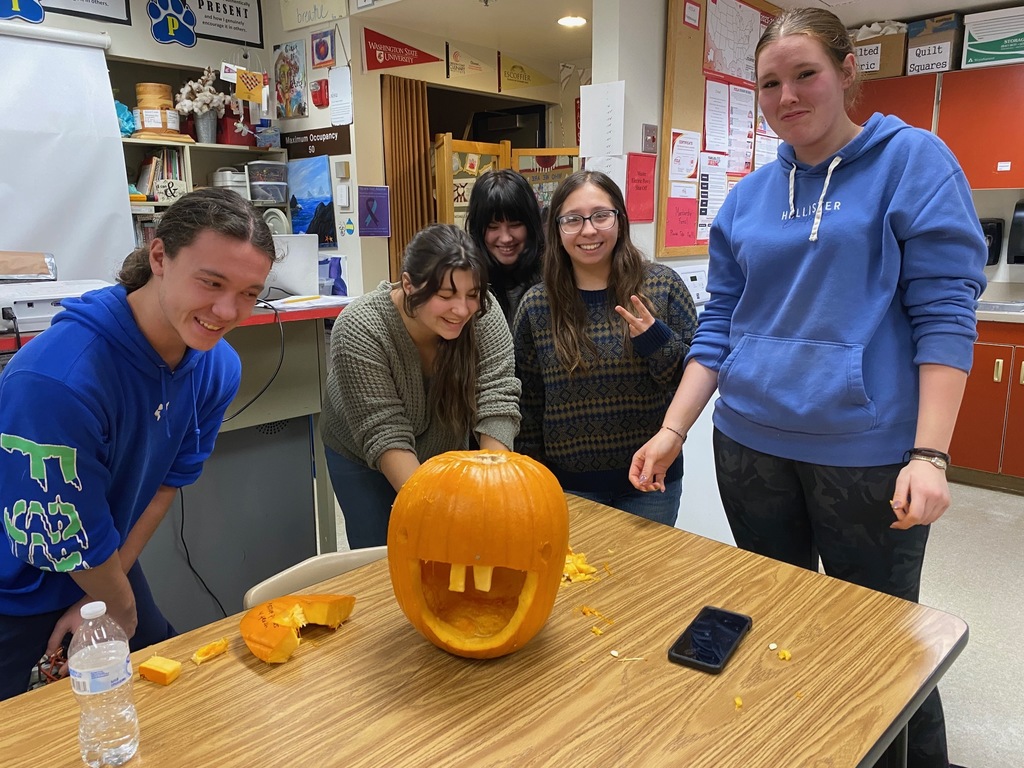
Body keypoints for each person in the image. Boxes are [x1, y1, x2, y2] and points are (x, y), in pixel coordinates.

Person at [629, 9, 986, 767]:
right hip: (751, 447)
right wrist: (673, 429)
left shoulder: (913, 162)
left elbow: (947, 316)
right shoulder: (750, 196)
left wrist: (931, 453)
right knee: (778, 620)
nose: (786, 95)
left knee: (882, 638)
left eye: (805, 74)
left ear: (847, 71)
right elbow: (721, 323)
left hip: (868, 458)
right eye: (768, 83)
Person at [0, 187, 277, 700]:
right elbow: (65, 534)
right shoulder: (57, 380)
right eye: (211, 282)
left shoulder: (216, 366)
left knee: (171, 703)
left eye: (249, 293)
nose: (226, 310)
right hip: (16, 585)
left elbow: (165, 485)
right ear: (159, 257)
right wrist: (118, 608)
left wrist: (111, 602)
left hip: (106, 563)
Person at [513, 170, 697, 525]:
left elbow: (690, 383)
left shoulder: (661, 286)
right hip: (568, 487)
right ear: (557, 230)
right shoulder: (538, 305)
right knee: (576, 579)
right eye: (573, 220)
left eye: (600, 215)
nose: (588, 230)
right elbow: (528, 402)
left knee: (647, 579)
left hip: (650, 479)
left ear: (620, 220)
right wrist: (532, 479)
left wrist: (655, 340)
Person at [320, 224, 521, 548]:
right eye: (445, 296)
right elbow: (385, 435)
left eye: (472, 294)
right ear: (409, 285)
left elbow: (497, 393)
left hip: (443, 444)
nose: (462, 310)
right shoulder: (360, 328)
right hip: (362, 453)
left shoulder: (482, 311)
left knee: (450, 550)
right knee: (384, 554)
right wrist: (438, 513)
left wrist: (491, 482)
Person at [465, 169, 544, 326]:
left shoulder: (552, 275)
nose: (506, 238)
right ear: (477, 230)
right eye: (493, 227)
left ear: (531, 224)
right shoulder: (467, 281)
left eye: (515, 225)